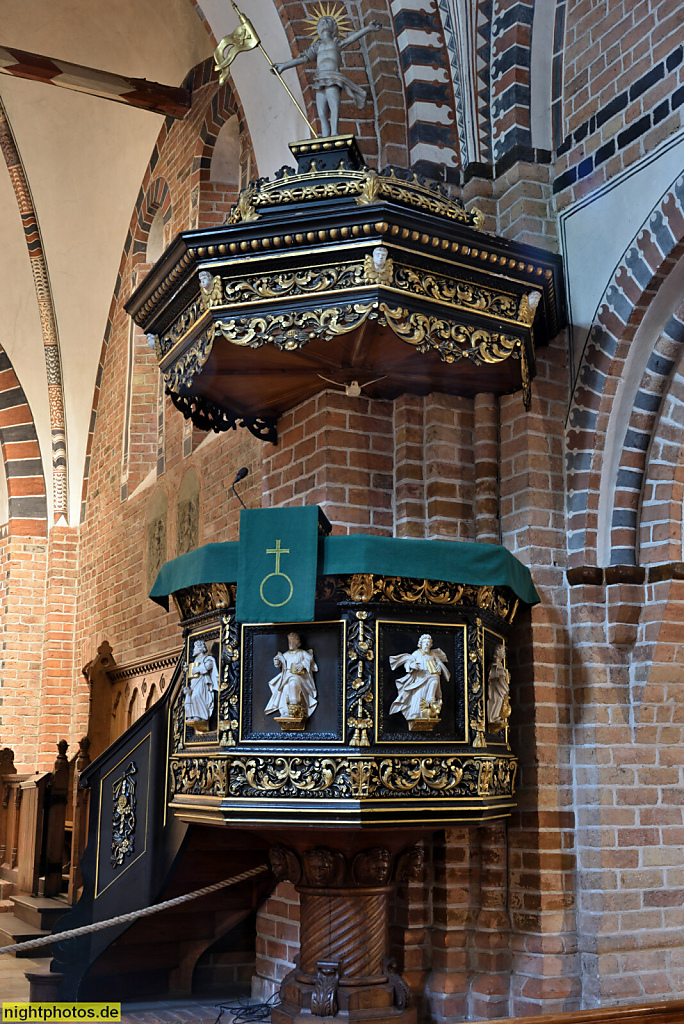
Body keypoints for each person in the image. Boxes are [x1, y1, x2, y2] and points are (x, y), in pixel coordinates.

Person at [274, 15, 381, 137]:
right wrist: (283, 66)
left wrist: (369, 28)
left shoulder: (336, 42)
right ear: (318, 29)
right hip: (320, 79)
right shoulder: (316, 46)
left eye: (328, 21)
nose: (324, 22)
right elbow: (303, 59)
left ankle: (334, 133)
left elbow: (351, 39)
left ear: (333, 28)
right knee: (322, 112)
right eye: (322, 22)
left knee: (334, 107)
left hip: (333, 77)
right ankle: (325, 136)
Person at [389, 634, 449, 721]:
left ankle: (430, 700)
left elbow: (439, 662)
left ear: (431, 644)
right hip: (420, 678)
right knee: (418, 696)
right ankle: (415, 713)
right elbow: (409, 661)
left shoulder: (433, 654)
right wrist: (411, 665)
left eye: (428, 642)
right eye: (425, 642)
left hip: (431, 676)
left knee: (435, 680)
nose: (427, 644)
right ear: (421, 644)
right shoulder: (417, 653)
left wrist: (439, 666)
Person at [265, 632, 318, 719]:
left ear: (298, 643)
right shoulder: (286, 654)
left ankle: (295, 708)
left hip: (299, 677)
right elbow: (279, 663)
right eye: (289, 641)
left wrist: (302, 664)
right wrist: (277, 661)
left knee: (293, 682)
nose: (290, 643)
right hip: (287, 677)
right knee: (286, 688)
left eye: (293, 641)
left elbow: (309, 659)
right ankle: (287, 711)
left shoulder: (302, 653)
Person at [184, 640, 219, 731]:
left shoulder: (207, 658)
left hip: (202, 681)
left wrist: (199, 669)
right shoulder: (196, 660)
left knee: (196, 696)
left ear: (200, 649)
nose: (194, 650)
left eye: (195, 648)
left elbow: (209, 665)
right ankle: (196, 715)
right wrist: (188, 668)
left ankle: (203, 716)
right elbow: (193, 670)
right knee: (192, 697)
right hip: (194, 682)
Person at [487, 644, 511, 732]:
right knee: (495, 701)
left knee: (499, 701)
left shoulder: (500, 665)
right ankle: (493, 717)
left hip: (501, 689)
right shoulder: (494, 665)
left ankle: (496, 717)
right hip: (495, 689)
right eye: (503, 651)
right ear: (498, 652)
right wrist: (500, 673)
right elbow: (491, 674)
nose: (505, 653)